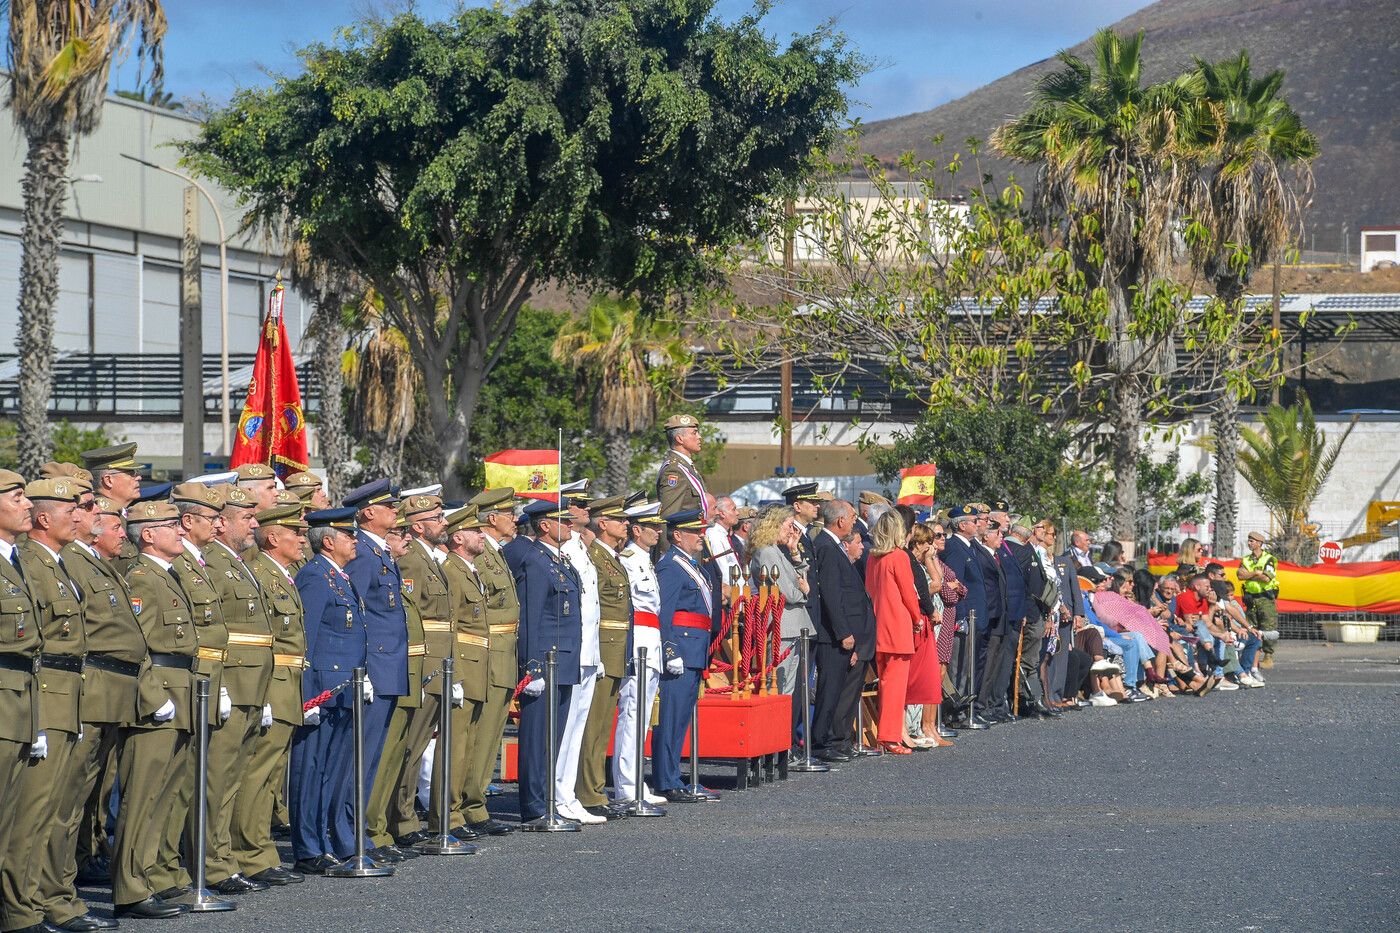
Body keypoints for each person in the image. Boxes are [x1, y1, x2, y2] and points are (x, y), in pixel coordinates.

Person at [3, 479, 95, 933]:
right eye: (15, 499)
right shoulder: (28, 564)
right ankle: (21, 908)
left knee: (45, 810)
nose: (80, 517)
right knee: (24, 813)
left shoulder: (28, 564)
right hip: (25, 695)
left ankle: (31, 904)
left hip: (43, 695)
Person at [62, 487, 146, 902]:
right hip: (89, 690)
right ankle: (55, 889)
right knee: (68, 799)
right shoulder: (70, 562)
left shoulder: (94, 562)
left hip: (112, 691)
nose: (120, 533)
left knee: (90, 791)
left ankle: (67, 879)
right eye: (89, 508)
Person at [113, 500, 196, 919]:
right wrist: (152, 698)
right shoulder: (143, 579)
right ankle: (129, 888)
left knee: (165, 795)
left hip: (179, 688)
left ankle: (147, 878)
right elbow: (138, 647)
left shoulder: (168, 576)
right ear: (147, 534)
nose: (181, 530)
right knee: (142, 797)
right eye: (171, 525)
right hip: (159, 693)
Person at [201, 484, 280, 893]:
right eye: (246, 517)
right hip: (231, 681)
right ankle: (210, 864)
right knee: (216, 780)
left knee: (232, 779)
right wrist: (222, 688)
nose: (255, 523)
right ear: (222, 522)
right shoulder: (212, 562)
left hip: (254, 684)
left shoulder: (239, 561)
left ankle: (223, 857)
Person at [242, 503, 310, 886]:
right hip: (274, 680)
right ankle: (251, 852)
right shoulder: (263, 575)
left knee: (270, 775)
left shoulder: (280, 574)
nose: (303, 540)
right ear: (273, 538)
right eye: (295, 533)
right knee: (259, 773)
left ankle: (259, 851)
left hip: (289, 680)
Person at [341, 478, 409, 856]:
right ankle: (353, 835)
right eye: (390, 507)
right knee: (361, 759)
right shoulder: (364, 555)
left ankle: (361, 832)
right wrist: (362, 668)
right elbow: (358, 616)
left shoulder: (378, 553)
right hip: (374, 668)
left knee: (372, 759)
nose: (396, 513)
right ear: (369, 513)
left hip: (388, 666)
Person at [385, 493, 456, 851]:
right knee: (410, 746)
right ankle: (400, 817)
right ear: (418, 525)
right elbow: (415, 617)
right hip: (424, 661)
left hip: (438, 659)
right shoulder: (412, 560)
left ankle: (404, 814)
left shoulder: (428, 558)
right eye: (438, 517)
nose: (445, 522)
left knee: (418, 743)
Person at [511, 500, 582, 824]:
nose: (569, 523)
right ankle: (535, 806)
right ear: (544, 525)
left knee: (553, 738)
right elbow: (530, 617)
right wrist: (532, 667)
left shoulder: (557, 559)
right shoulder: (536, 562)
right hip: (546, 661)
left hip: (564, 660)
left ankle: (548, 801)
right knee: (537, 737)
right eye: (562, 519)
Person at [461, 487, 522, 837]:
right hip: (489, 650)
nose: (514, 519)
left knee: (491, 733)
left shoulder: (495, 554)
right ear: (491, 518)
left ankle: (475, 801)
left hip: (504, 650)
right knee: (479, 735)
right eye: (508, 512)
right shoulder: (482, 556)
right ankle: (469, 805)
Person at [653, 510, 719, 801]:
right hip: (681, 648)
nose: (701, 535)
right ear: (678, 536)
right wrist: (669, 649)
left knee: (680, 719)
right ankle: (665, 779)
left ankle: (672, 776)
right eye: (695, 531)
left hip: (695, 649)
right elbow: (663, 614)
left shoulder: (692, 566)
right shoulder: (671, 566)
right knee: (670, 718)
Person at [577, 497, 633, 821]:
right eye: (619, 520)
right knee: (594, 726)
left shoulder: (610, 557)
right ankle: (589, 793)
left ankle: (595, 790)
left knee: (603, 727)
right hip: (603, 646)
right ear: (603, 524)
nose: (625, 525)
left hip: (616, 647)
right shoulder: (595, 557)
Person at [438, 506, 491, 839]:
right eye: (476, 531)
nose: (482, 535)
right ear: (458, 537)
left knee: (468, 746)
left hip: (478, 666)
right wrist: (453, 674)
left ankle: (458, 812)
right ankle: (448, 816)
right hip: (462, 668)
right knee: (454, 748)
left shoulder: (468, 569)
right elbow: (451, 627)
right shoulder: (452, 571)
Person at [808, 499, 876, 763]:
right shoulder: (826, 546)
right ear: (840, 521)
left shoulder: (832, 545)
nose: (854, 521)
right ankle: (819, 742)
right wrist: (843, 632)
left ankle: (827, 741)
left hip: (841, 632)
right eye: (851, 516)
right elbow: (831, 594)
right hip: (833, 635)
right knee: (829, 690)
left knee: (835, 690)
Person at [612, 503, 668, 808]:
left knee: (643, 716)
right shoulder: (629, 560)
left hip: (652, 640)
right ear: (637, 530)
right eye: (652, 526)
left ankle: (635, 779)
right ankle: (626, 785)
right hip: (639, 643)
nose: (659, 531)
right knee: (632, 714)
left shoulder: (645, 560)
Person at [555, 489, 602, 825]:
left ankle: (567, 793)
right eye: (580, 505)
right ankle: (560, 795)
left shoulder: (579, 548)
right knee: (566, 727)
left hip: (588, 650)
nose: (587, 510)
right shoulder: (565, 550)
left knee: (577, 727)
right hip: (573, 650)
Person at [746, 505, 810, 746]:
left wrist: (794, 552)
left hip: (790, 625)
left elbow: (801, 576)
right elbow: (790, 591)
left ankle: (782, 743)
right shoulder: (767, 553)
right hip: (782, 624)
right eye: (788, 525)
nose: (792, 531)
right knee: (781, 689)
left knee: (787, 689)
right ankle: (777, 744)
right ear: (774, 524)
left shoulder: (776, 551)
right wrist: (803, 592)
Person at [864, 511, 923, 755]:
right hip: (897, 625)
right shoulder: (899, 556)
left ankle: (887, 734)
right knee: (894, 685)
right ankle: (889, 736)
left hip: (878, 622)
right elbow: (909, 592)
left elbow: (868, 588)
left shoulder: (873, 558)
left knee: (887, 682)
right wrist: (917, 617)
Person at [941, 506, 987, 730]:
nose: (977, 524)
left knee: (968, 668)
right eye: (973, 520)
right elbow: (955, 584)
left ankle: (965, 710)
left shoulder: (968, 547)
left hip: (976, 617)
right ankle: (954, 714)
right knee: (958, 668)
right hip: (963, 618)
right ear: (961, 525)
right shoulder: (954, 548)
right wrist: (959, 617)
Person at [656, 414, 711, 520]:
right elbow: (668, 515)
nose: (699, 437)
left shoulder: (686, 466)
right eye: (694, 433)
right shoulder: (674, 470)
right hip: (682, 535)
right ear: (680, 439)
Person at [1238, 531, 1281, 668]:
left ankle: (1268, 656)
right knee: (1252, 627)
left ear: (1259, 543)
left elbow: (1267, 577)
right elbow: (1240, 575)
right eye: (1249, 540)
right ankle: (1252, 658)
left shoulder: (1269, 559)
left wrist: (1249, 574)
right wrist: (1256, 573)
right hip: (1251, 598)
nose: (1249, 543)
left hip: (1265, 597)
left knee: (1268, 626)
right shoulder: (1246, 559)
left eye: (1252, 541)